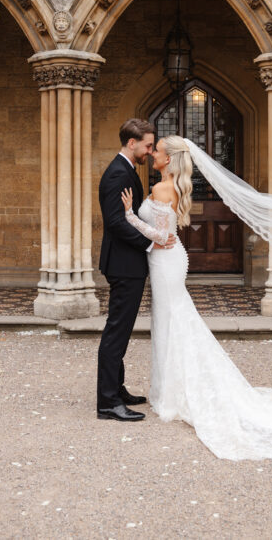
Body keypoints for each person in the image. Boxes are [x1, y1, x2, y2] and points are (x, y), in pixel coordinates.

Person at [120, 135, 272, 460]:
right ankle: (167, 392)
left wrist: (129, 215)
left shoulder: (161, 189)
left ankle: (172, 396)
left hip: (166, 262)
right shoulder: (170, 186)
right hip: (165, 262)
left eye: (158, 151)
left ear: (168, 160)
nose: (153, 153)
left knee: (173, 323)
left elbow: (165, 238)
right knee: (169, 323)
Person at [96, 119, 175, 422]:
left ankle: (117, 389)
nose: (149, 151)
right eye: (147, 146)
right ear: (132, 143)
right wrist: (151, 243)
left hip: (128, 263)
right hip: (123, 264)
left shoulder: (127, 170)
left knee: (121, 330)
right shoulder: (117, 174)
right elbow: (116, 222)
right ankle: (108, 403)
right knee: (117, 332)